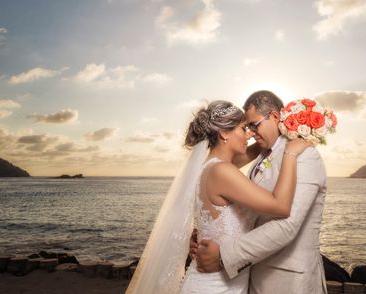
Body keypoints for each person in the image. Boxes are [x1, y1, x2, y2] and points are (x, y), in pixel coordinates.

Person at [126, 100, 309, 294]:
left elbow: (259, 147)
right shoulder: (222, 171)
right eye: (243, 128)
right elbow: (280, 206)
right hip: (215, 286)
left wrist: (282, 129)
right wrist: (290, 152)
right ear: (223, 133)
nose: (249, 134)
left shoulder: (209, 165)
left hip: (217, 281)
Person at [194, 90, 328, 294]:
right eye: (245, 127)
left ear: (275, 117)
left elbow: (287, 225)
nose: (250, 134)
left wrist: (223, 256)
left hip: (287, 281)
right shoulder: (258, 157)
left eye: (254, 125)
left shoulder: (303, 155)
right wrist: (205, 234)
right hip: (251, 275)